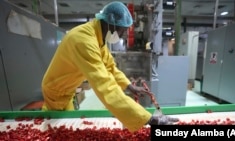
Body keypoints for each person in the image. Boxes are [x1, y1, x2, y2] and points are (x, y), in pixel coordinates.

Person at [41, 1, 178, 132]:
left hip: (67, 90)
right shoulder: (84, 41)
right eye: (122, 30)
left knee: (69, 125)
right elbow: (105, 85)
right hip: (56, 92)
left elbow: (110, 67)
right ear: (111, 24)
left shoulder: (96, 36)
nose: (123, 35)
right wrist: (147, 119)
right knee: (58, 128)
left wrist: (129, 85)